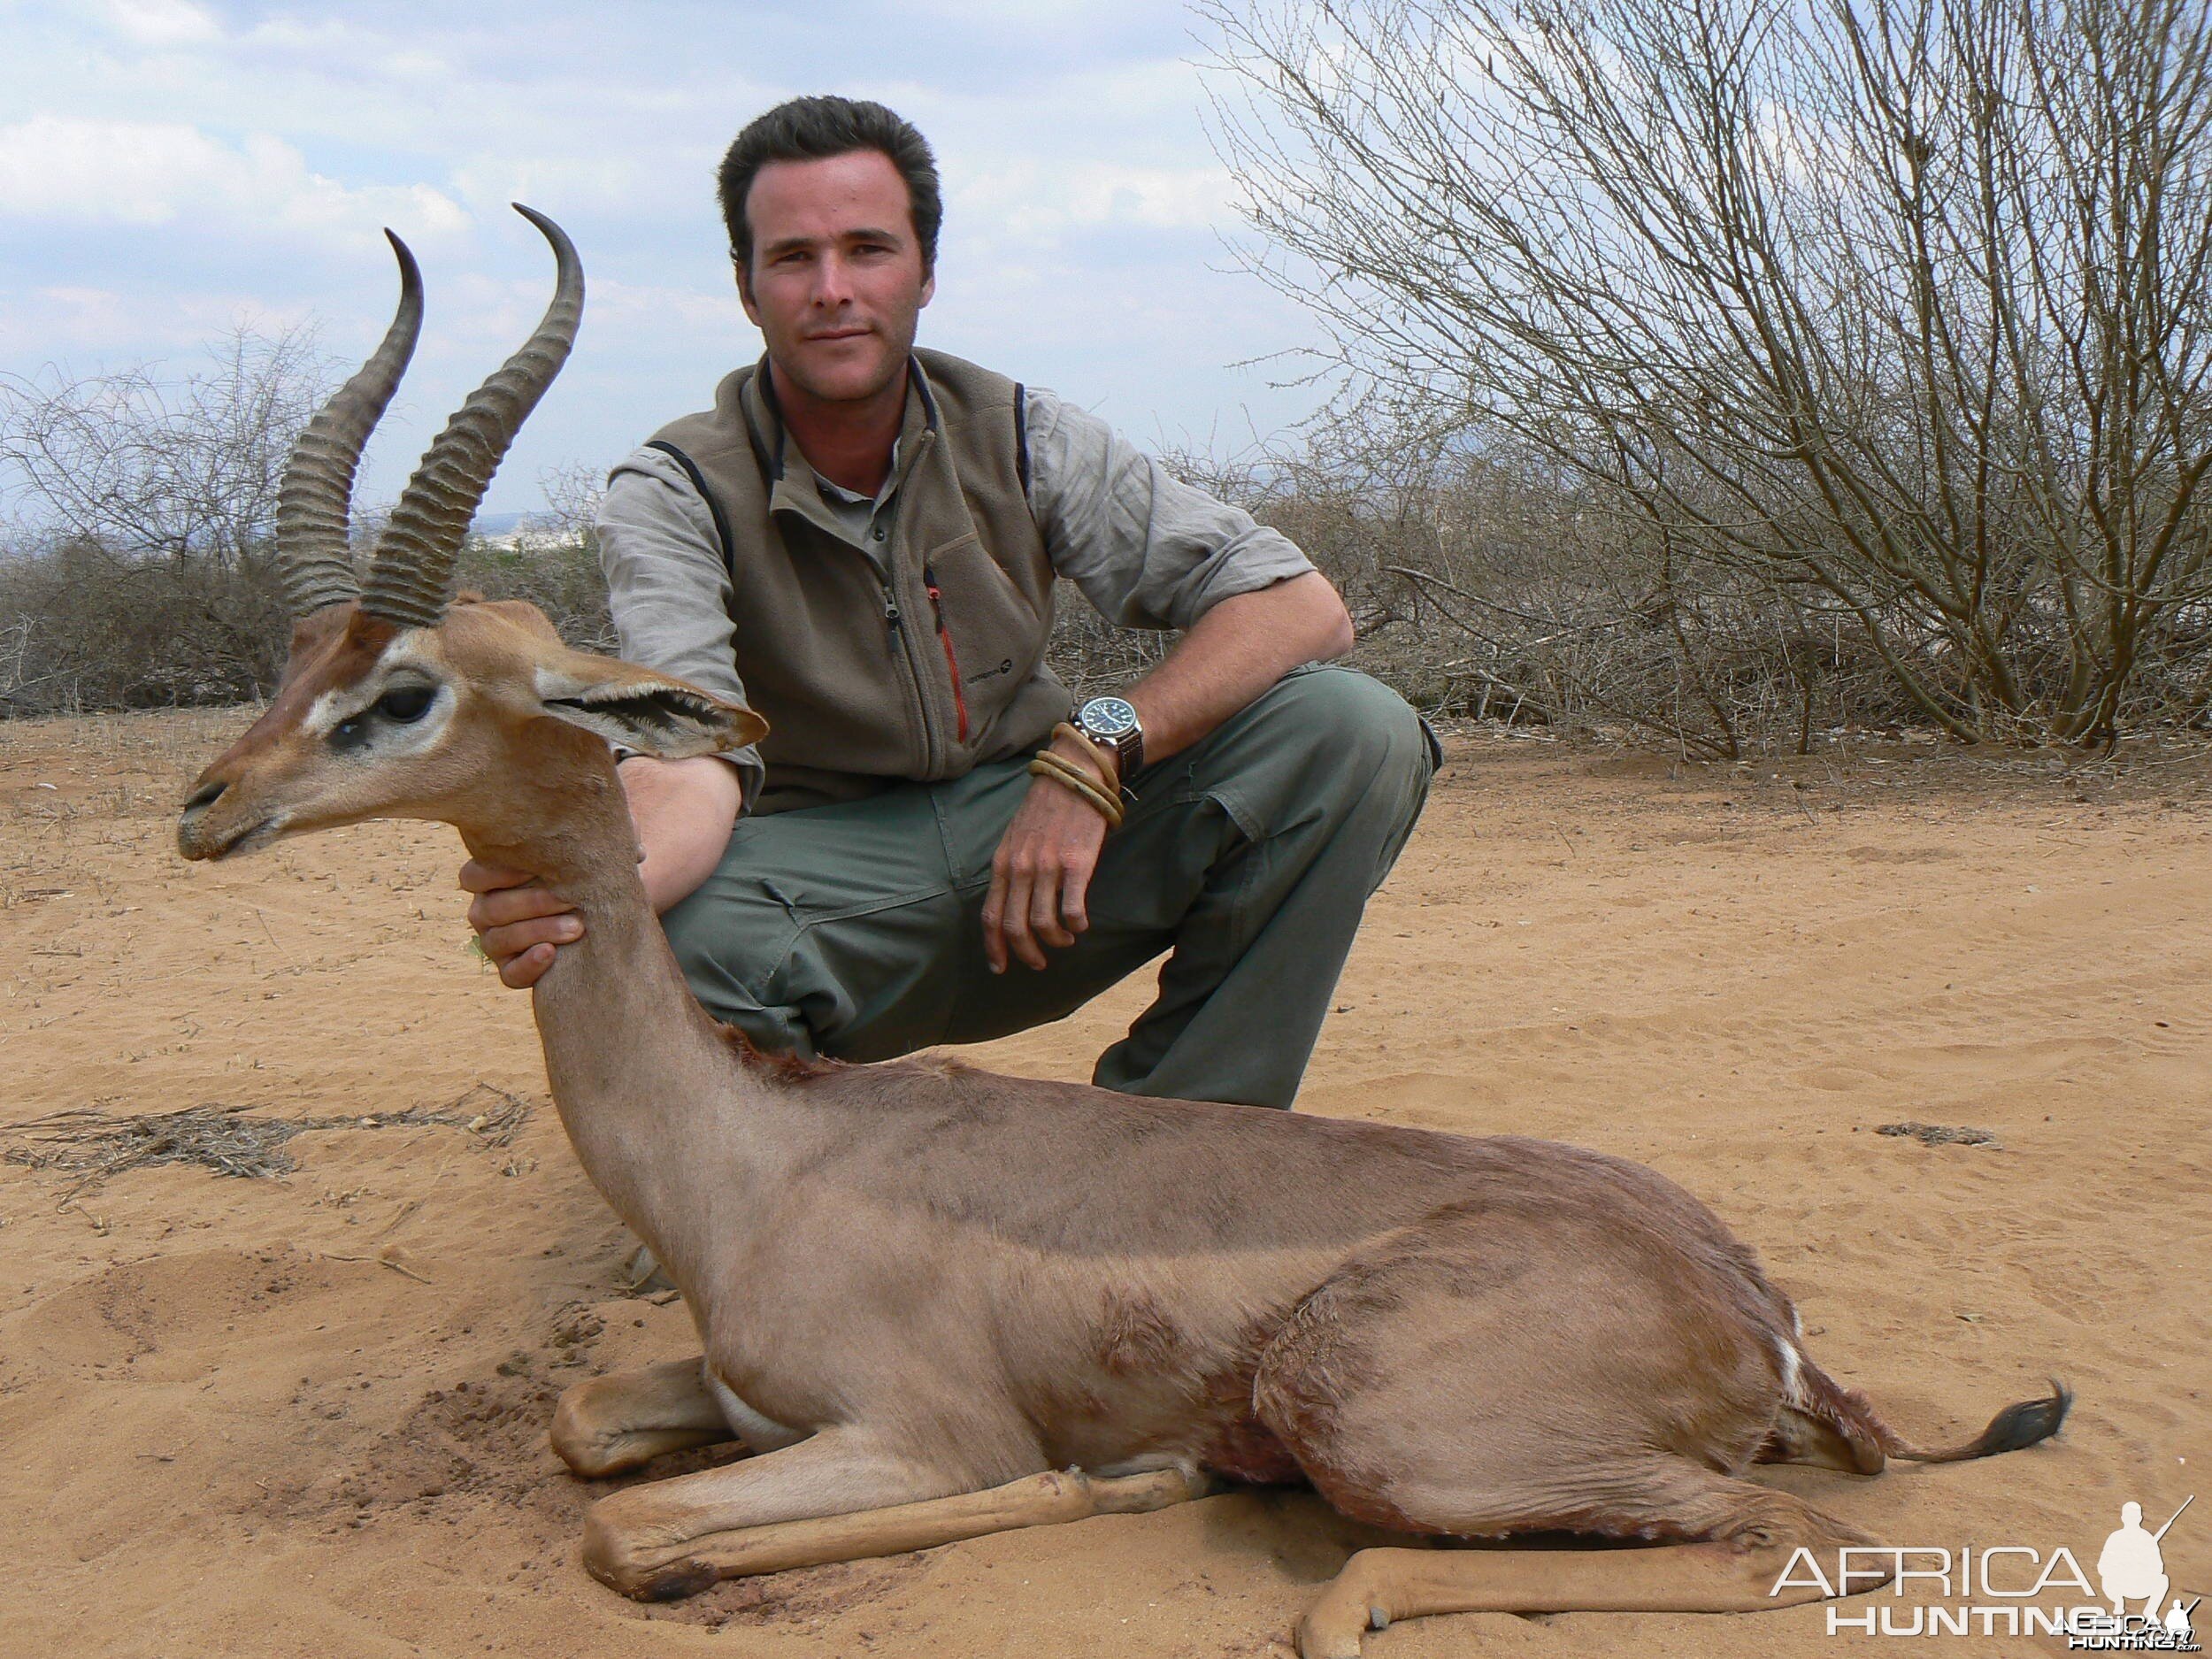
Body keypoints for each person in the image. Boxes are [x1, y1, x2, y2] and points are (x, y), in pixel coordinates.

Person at [464, 95, 1435, 1110]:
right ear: (747, 290)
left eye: (868, 249)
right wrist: (587, 896)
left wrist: (1093, 752)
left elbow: (1299, 605)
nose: (833, 290)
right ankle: (760, 1193)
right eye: (793, 258)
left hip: (1039, 845)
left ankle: (1185, 1136)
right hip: (821, 886)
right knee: (676, 940)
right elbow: (692, 758)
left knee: (1351, 726)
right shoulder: (673, 488)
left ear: (925, 271)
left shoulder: (1021, 432)